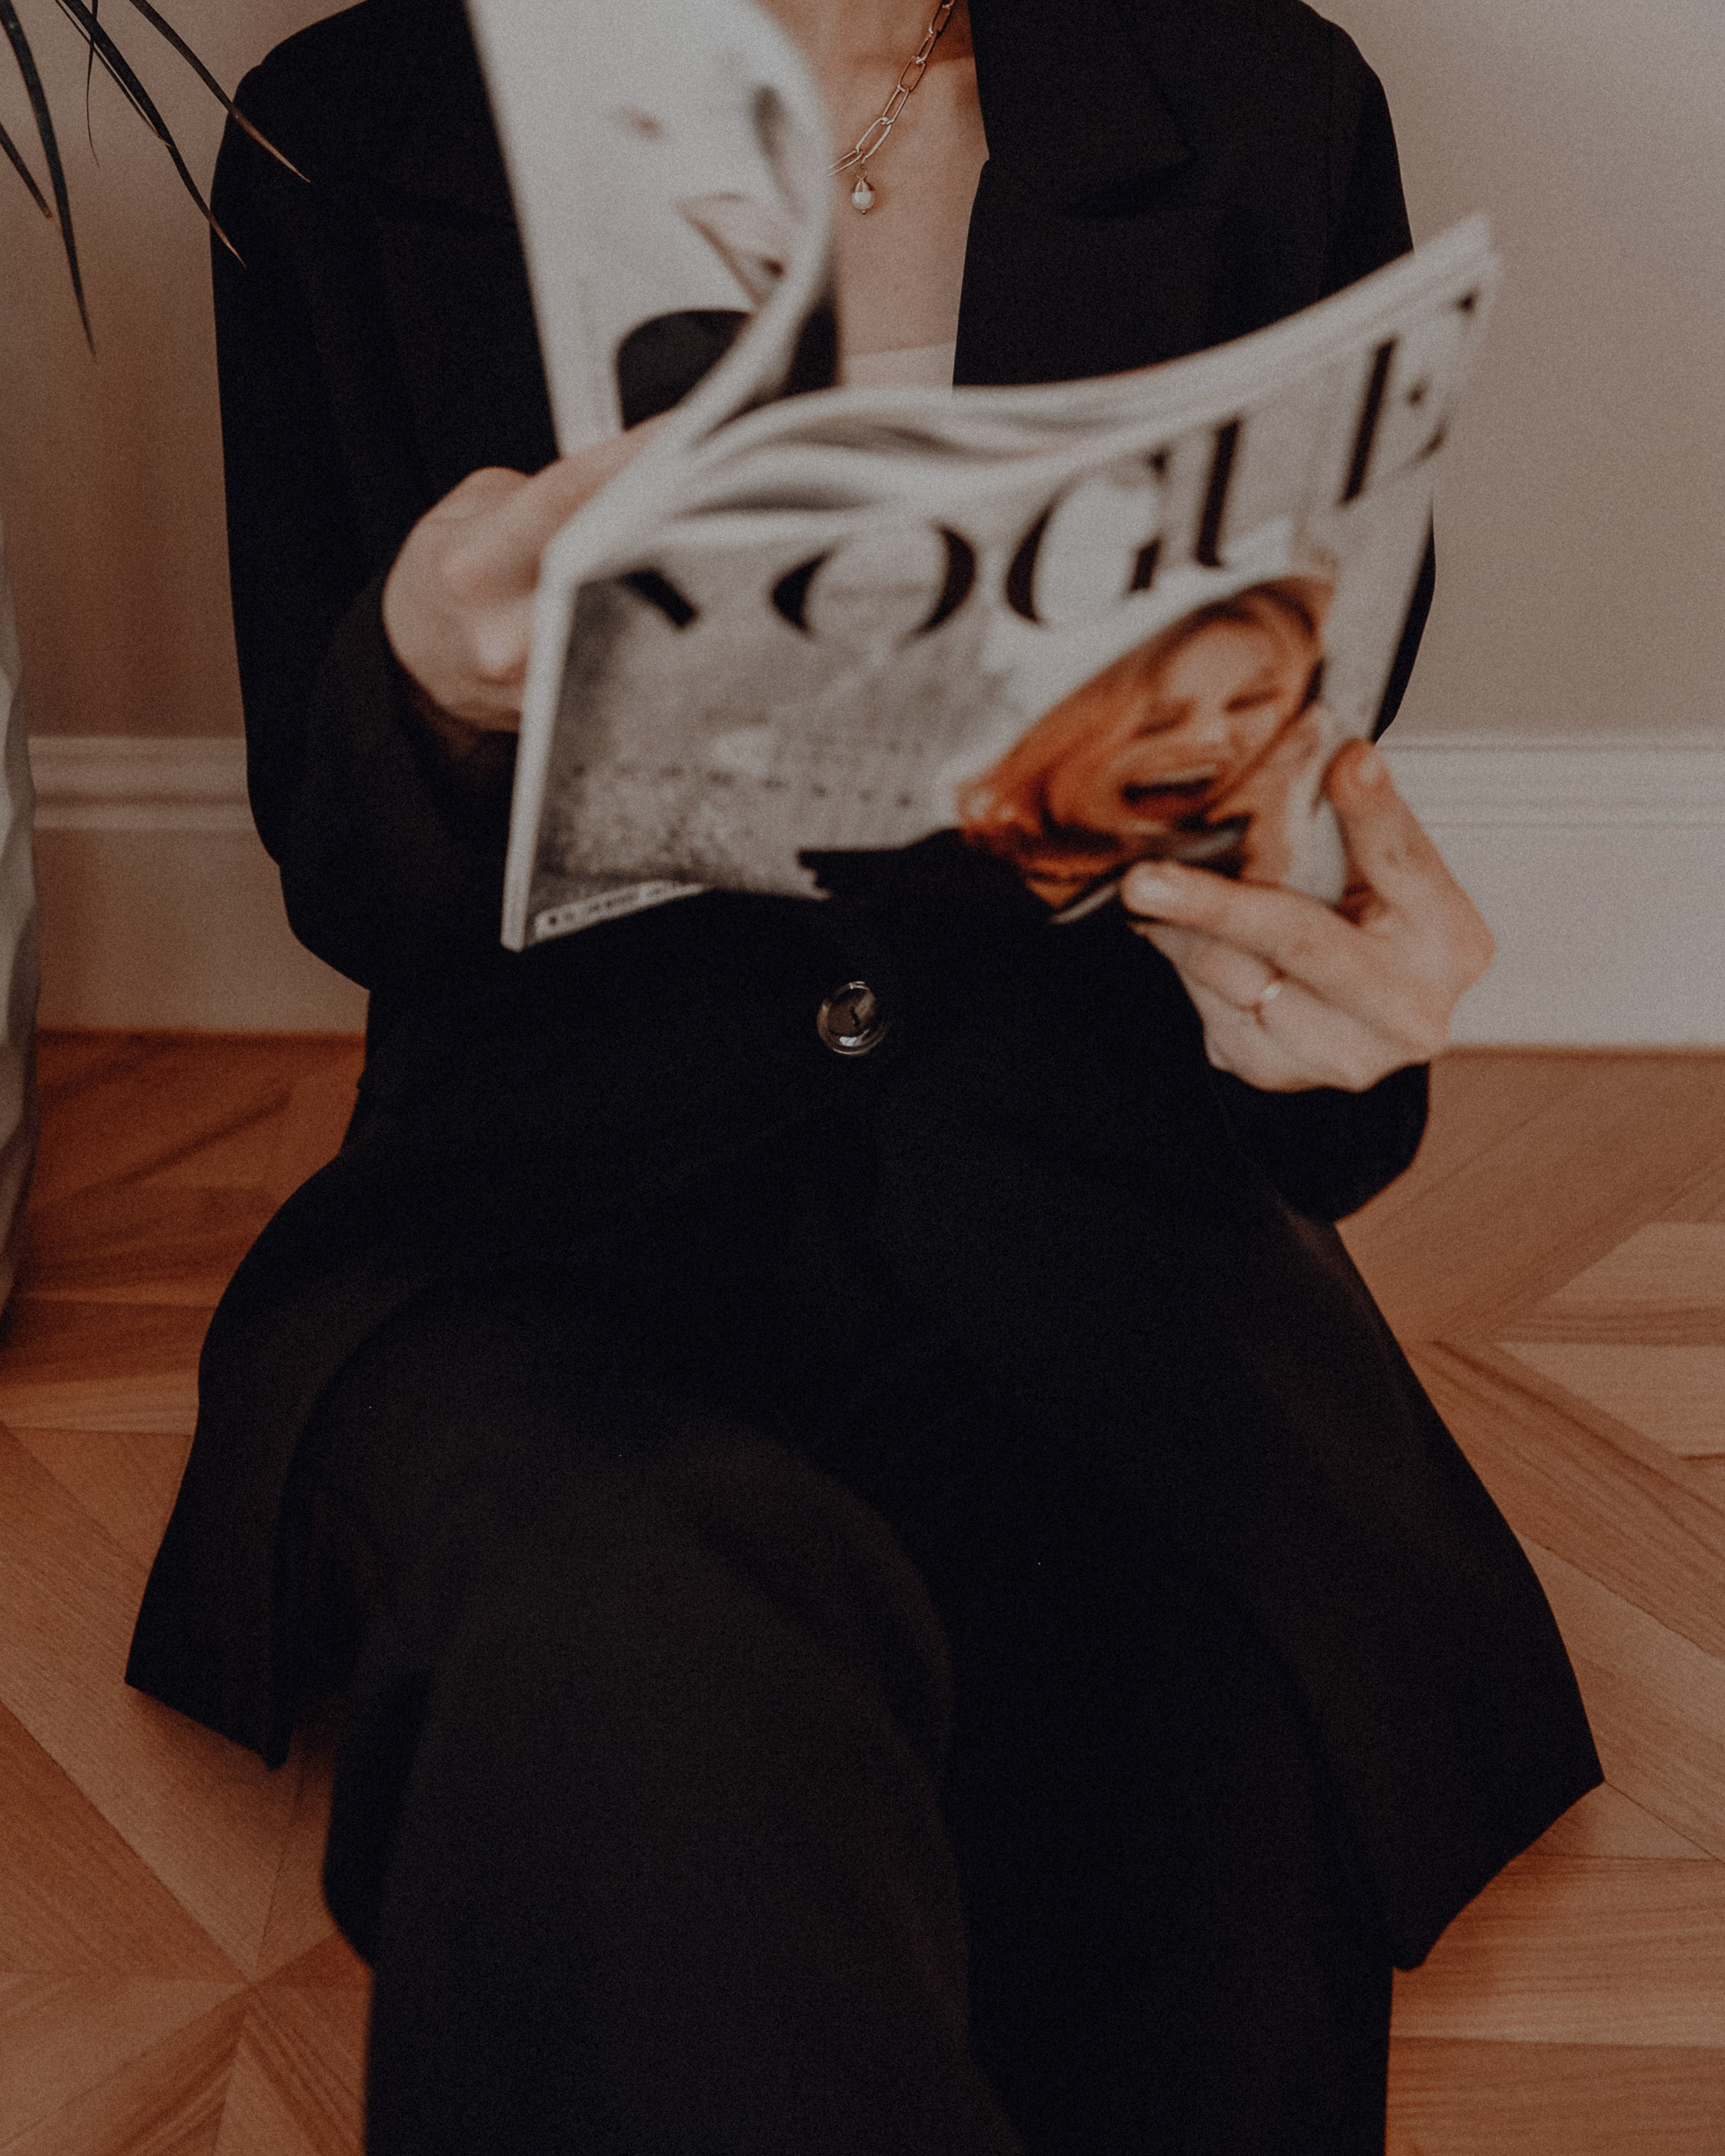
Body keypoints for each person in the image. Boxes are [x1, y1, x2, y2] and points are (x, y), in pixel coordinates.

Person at [128, 1, 1602, 2151]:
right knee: (636, 1643)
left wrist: (1337, 1040)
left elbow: (1264, 808)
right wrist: (427, 680)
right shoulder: (341, 134)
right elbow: (348, 871)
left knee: (1179, 1807)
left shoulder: (1262, 107)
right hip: (533, 1225)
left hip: (1091, 1227)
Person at [958, 576, 1335, 904]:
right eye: (1156, 722)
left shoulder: (1297, 847)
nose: (1211, 739)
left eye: (1252, 700)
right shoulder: (944, 885)